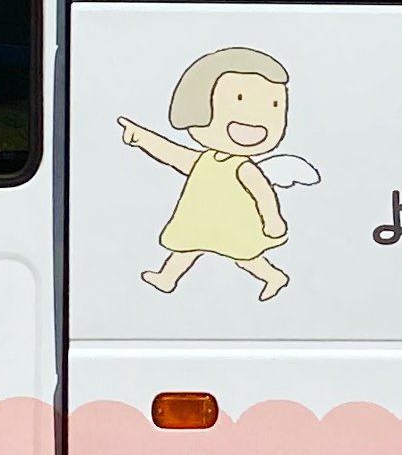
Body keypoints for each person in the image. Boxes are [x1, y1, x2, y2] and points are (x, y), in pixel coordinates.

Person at [120, 49, 298, 299]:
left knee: (246, 257)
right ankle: (167, 278)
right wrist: (141, 138)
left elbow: (263, 195)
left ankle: (274, 276)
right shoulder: (204, 159)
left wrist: (273, 220)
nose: (255, 120)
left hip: (235, 222)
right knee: (185, 248)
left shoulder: (244, 167)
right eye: (238, 99)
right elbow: (171, 153)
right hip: (201, 219)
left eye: (275, 105)